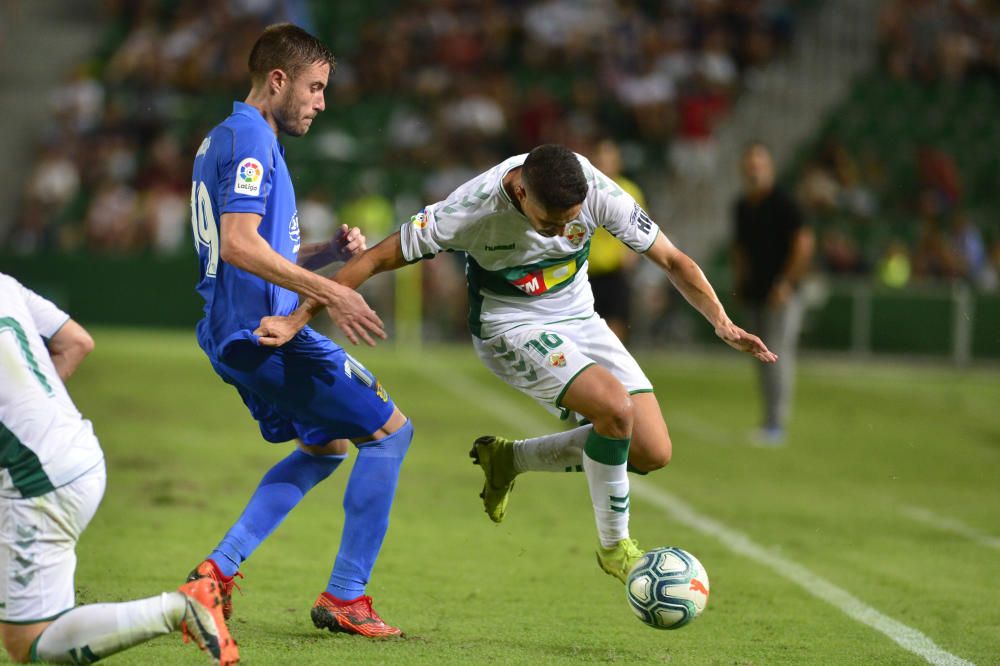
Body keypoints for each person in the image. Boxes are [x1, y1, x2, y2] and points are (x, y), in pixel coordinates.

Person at [255, 144, 776, 583]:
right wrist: (300, 318)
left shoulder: (595, 191)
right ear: (521, 192)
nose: (557, 234)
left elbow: (673, 260)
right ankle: (616, 549)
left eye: (568, 224)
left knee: (652, 450)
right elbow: (373, 259)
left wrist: (722, 322)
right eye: (549, 224)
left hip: (580, 315)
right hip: (510, 326)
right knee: (615, 411)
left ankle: (510, 460)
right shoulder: (471, 209)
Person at [187, 23, 412, 638]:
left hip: (234, 331)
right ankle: (347, 597)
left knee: (326, 446)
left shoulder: (228, 138)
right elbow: (236, 246)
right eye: (314, 87)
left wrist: (323, 255)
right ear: (278, 80)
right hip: (263, 331)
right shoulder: (252, 141)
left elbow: (256, 245)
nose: (321, 101)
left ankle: (215, 575)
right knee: (390, 436)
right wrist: (332, 290)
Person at [0, 273, 238, 665]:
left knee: (29, 643)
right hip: (78, 451)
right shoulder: (6, 283)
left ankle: (181, 608)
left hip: (38, 482)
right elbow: (77, 343)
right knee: (39, 627)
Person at [731, 142, 814, 445]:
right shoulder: (742, 205)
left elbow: (804, 243)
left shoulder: (784, 202)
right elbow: (740, 249)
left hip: (781, 293)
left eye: (759, 164)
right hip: (755, 292)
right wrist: (740, 282)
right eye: (749, 165)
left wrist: (787, 282)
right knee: (760, 356)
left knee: (777, 353)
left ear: (770, 169)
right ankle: (769, 420)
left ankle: (776, 423)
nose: (754, 170)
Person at [587, 138, 644, 343]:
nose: (603, 160)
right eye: (599, 156)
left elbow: (640, 230)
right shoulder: (583, 190)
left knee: (615, 328)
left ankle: (612, 370)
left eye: (608, 156)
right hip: (585, 273)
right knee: (587, 331)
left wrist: (630, 256)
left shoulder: (629, 191)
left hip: (615, 273)